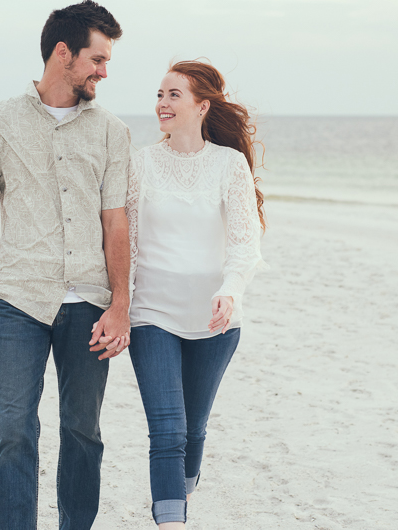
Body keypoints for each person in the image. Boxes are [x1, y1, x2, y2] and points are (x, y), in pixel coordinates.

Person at [0, 0, 133, 530]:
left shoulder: (112, 132)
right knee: (13, 431)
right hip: (17, 301)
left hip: (90, 306)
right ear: (62, 53)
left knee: (82, 431)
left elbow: (116, 223)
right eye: (97, 60)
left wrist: (121, 304)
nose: (103, 72)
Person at [125, 60, 266, 528]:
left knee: (192, 430)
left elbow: (246, 242)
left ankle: (181, 490)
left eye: (173, 95)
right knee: (167, 430)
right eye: (160, 95)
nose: (162, 104)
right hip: (152, 314)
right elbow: (126, 241)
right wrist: (120, 305)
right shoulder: (140, 163)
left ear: (202, 106)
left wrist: (230, 291)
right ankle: (172, 520)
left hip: (215, 321)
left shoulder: (230, 164)